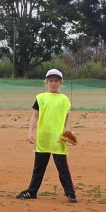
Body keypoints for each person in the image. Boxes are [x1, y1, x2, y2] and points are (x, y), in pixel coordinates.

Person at [16, 69, 77, 203]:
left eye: (56, 81)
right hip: (43, 138)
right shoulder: (41, 98)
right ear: (46, 82)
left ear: (61, 83)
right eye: (51, 81)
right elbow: (34, 116)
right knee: (38, 168)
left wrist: (68, 131)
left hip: (58, 139)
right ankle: (32, 192)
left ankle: (71, 194)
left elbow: (67, 118)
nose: (53, 83)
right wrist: (30, 132)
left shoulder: (64, 99)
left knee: (63, 168)